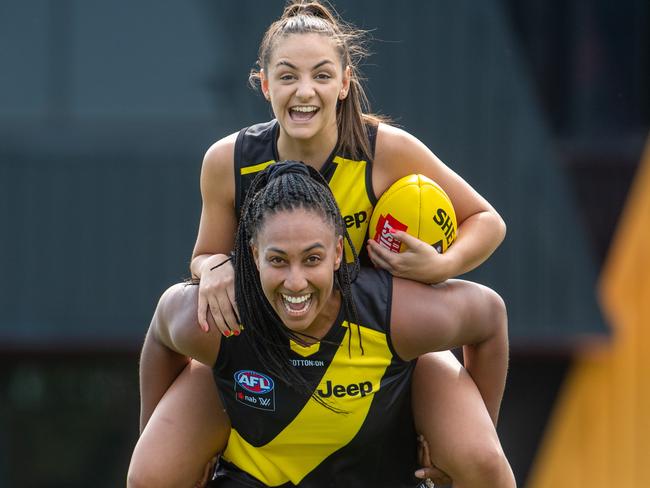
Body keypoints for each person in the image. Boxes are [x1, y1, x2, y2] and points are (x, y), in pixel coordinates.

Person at [130, 1, 510, 486]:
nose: (304, 91)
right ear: (264, 84)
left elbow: (487, 221)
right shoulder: (228, 160)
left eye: (322, 75)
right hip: (264, 339)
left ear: (345, 82)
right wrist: (213, 268)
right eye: (287, 76)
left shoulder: (384, 150)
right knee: (152, 473)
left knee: (480, 459)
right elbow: (203, 257)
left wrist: (441, 266)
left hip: (379, 339)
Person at [129, 162, 514, 487]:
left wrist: (468, 431)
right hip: (252, 466)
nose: (295, 282)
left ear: (338, 253)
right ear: (253, 254)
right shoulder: (219, 315)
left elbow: (490, 316)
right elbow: (164, 327)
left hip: (381, 459)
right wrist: (164, 433)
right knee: (151, 475)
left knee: (481, 461)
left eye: (312, 259)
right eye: (278, 260)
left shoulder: (392, 314)